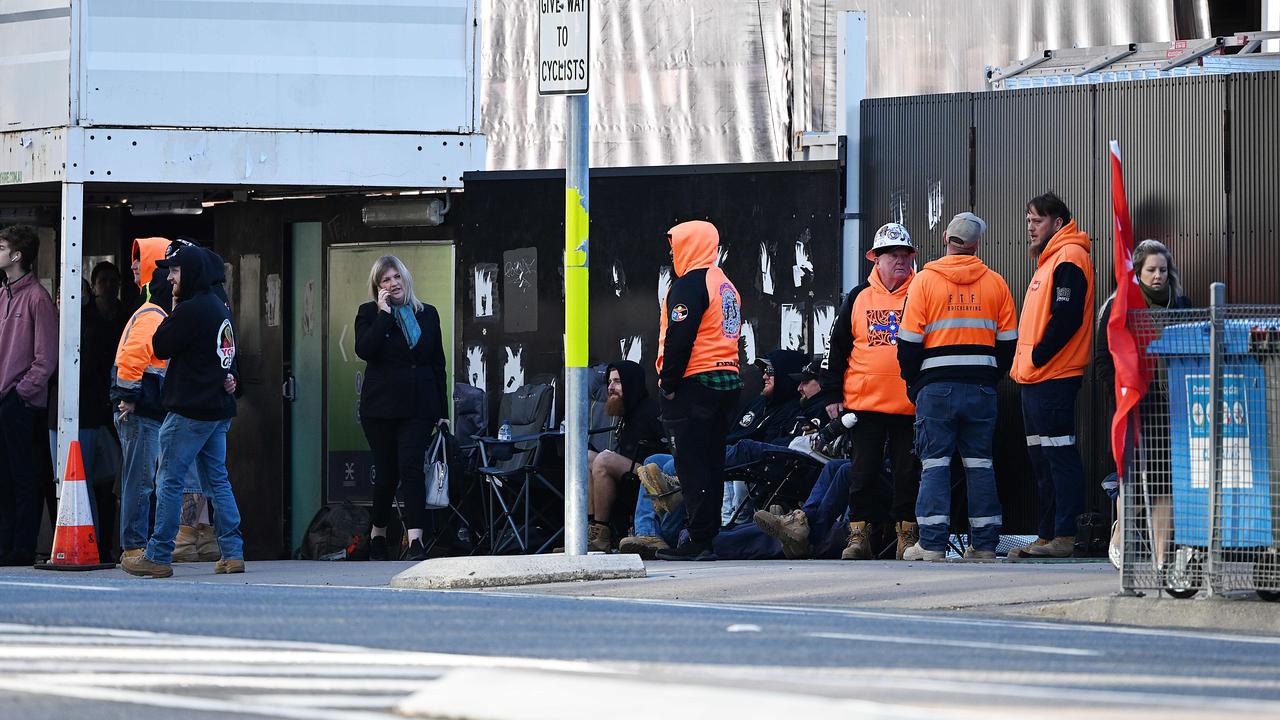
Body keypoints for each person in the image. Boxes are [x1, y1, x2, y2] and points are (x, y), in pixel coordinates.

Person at [897, 212, 1018, 561]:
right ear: (977, 245)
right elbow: (1008, 343)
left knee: (934, 464)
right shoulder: (996, 283)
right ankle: (983, 546)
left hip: (935, 389)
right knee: (980, 465)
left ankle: (932, 545)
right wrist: (988, 376)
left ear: (947, 236)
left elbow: (907, 343)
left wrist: (915, 382)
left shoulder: (923, 282)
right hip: (981, 389)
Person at [122, 242, 244, 578]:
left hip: (189, 410)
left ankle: (159, 554)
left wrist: (174, 307)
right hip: (218, 411)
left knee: (170, 481)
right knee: (218, 481)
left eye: (175, 270)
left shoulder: (190, 309)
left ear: (190, 273)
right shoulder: (221, 308)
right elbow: (229, 358)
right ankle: (232, 552)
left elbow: (160, 344)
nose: (170, 277)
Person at [822, 222, 921, 561]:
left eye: (905, 254)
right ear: (875, 259)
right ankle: (858, 536)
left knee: (908, 475)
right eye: (892, 254)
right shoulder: (858, 297)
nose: (900, 261)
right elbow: (836, 348)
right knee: (862, 474)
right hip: (864, 406)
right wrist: (833, 396)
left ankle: (906, 536)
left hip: (910, 405)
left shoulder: (920, 292)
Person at [1009, 193, 1095, 559]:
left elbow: (1066, 317)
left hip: (1054, 376)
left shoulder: (1070, 257)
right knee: (1041, 461)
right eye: (1028, 220)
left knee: (1059, 456)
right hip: (1034, 378)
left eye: (1037, 221)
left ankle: (1064, 534)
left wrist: (1040, 356)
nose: (1030, 227)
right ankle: (1046, 535)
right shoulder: (1047, 262)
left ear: (1057, 223)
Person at [1094, 239, 1190, 569]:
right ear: (1137, 271)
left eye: (1163, 270)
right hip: (1133, 404)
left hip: (1171, 405)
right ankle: (1121, 536)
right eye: (1151, 270)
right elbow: (1102, 358)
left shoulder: (1181, 305)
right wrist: (1119, 393)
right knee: (1132, 476)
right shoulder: (1118, 305)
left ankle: (1163, 556)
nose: (1158, 276)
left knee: (1165, 480)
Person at [652, 220, 742, 561]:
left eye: (676, 245)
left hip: (694, 383)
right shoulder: (725, 284)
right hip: (727, 381)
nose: (672, 251)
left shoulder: (689, 285)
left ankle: (698, 539)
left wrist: (669, 384)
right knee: (712, 461)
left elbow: (679, 339)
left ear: (691, 244)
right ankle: (708, 535)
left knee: (691, 463)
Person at [353, 255, 449, 561]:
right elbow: (365, 350)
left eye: (396, 277)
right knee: (386, 474)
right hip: (379, 407)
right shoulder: (368, 314)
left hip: (418, 405)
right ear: (377, 287)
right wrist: (384, 316)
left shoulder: (427, 314)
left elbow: (437, 363)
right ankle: (378, 535)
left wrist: (443, 410)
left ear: (405, 279)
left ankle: (415, 540)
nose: (393, 284)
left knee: (410, 468)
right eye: (385, 280)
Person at [112, 238, 175, 561]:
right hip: (141, 411)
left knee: (139, 481)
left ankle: (135, 544)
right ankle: (134, 547)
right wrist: (129, 397)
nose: (134, 266)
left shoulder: (150, 310)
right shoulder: (153, 314)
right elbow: (132, 358)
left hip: (143, 408)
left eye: (140, 260)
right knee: (140, 483)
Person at [0, 225, 57, 567]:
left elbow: (46, 358)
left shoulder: (37, 298)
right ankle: (6, 544)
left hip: (20, 403)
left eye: (2, 245)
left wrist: (20, 394)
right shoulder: (4, 294)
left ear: (17, 255)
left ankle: (23, 546)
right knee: (4, 478)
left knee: (24, 477)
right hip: (4, 398)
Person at [585, 360, 665, 552]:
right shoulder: (626, 412)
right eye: (610, 382)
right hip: (630, 474)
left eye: (617, 382)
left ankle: (601, 531)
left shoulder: (651, 410)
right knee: (584, 457)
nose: (611, 387)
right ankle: (590, 530)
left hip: (654, 475)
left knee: (603, 460)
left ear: (632, 383)